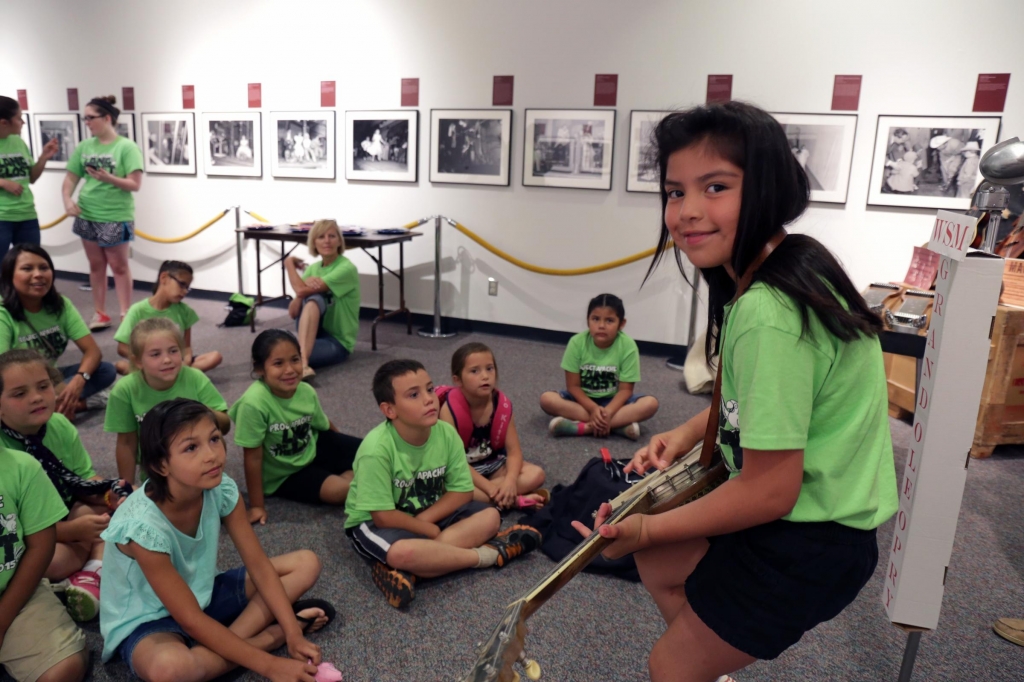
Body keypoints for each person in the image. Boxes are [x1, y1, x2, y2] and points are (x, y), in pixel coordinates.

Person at [573, 102, 898, 682]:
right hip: (822, 522)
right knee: (660, 561)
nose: (688, 212)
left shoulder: (766, 313)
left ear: (766, 187)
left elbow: (771, 490)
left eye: (716, 186)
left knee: (669, 665)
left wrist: (643, 524)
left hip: (814, 538)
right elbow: (772, 400)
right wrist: (685, 431)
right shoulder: (794, 264)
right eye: (675, 192)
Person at [98, 398, 337, 681]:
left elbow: (259, 566)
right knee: (170, 670)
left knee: (306, 563)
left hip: (202, 595)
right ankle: (263, 639)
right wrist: (271, 660)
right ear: (161, 465)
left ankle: (223, 647)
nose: (212, 455)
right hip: (148, 619)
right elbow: (189, 619)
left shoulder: (220, 488)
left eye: (214, 439)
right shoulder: (140, 526)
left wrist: (294, 634)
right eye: (191, 448)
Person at [344, 359, 542, 609]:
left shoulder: (446, 434)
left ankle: (415, 570)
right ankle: (488, 555)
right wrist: (427, 529)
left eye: (429, 388)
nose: (429, 399)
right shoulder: (376, 449)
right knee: (402, 554)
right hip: (376, 520)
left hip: (429, 512)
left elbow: (462, 492)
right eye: (414, 395)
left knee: (491, 516)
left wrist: (425, 525)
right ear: (390, 410)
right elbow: (383, 516)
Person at [0, 349, 133, 623]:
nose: (36, 397)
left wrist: (110, 495)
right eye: (19, 393)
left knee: (111, 513)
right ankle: (92, 568)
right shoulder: (5, 453)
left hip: (64, 513)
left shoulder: (59, 425)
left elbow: (83, 478)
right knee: (52, 558)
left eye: (43, 386)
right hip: (25, 537)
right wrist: (71, 532)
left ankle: (89, 571)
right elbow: (19, 530)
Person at [231, 330, 362, 526]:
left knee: (370, 451)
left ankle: (353, 473)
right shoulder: (253, 404)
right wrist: (257, 505)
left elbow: (324, 425)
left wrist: (343, 448)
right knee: (340, 492)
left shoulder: (306, 391)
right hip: (284, 474)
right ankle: (353, 476)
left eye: (295, 360)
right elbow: (252, 457)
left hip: (312, 447)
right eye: (278, 363)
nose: (290, 370)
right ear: (260, 368)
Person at [0, 447, 89, 682]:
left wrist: (2, 620)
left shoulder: (22, 467)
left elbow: (41, 547)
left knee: (63, 668)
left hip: (15, 594)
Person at [105, 318, 229, 486]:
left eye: (173, 351)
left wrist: (199, 409)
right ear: (138, 361)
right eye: (156, 354)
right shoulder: (124, 390)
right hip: (156, 473)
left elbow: (225, 426)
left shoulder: (195, 378)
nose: (167, 360)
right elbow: (127, 443)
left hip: (201, 467)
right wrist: (127, 488)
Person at [0, 244, 116, 417]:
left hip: (50, 376)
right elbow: (3, 370)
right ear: (10, 276)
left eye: (44, 268)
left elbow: (93, 352)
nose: (38, 274)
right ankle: (64, 405)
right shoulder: (3, 312)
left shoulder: (61, 305)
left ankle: (54, 406)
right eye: (27, 268)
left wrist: (78, 381)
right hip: (18, 384)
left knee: (106, 370)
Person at [61, 95, 143, 331]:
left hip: (115, 214)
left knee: (118, 266)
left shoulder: (126, 147)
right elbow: (71, 178)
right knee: (96, 265)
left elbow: (135, 184)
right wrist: (67, 199)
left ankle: (126, 313)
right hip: (87, 213)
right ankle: (100, 313)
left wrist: (109, 178)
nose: (87, 122)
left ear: (107, 118)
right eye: (84, 118)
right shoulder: (85, 147)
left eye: (91, 118)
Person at [438, 342, 548, 510]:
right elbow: (455, 463)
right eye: (475, 371)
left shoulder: (501, 405)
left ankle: (495, 498)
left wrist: (510, 482)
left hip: (494, 465)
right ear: (457, 380)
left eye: (489, 368)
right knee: (448, 490)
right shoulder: (448, 410)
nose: (485, 376)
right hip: (463, 471)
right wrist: (490, 488)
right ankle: (514, 501)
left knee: (536, 474)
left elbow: (514, 452)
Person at [540, 293, 659, 440]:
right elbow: (573, 387)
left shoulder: (628, 346)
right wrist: (593, 409)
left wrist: (608, 412)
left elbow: (626, 390)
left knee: (650, 404)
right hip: (582, 402)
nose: (601, 326)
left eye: (609, 320)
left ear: (621, 324)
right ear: (588, 321)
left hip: (614, 403)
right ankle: (618, 426)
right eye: (595, 319)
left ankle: (584, 427)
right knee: (547, 399)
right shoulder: (576, 343)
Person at [113, 260, 223, 375]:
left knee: (215, 357)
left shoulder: (185, 311)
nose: (185, 291)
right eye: (181, 284)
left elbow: (186, 348)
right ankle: (176, 377)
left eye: (187, 288)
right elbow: (122, 348)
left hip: (175, 361)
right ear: (164, 278)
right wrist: (149, 360)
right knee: (121, 365)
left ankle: (169, 376)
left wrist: (185, 362)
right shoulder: (137, 310)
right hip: (148, 361)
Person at [284, 219, 360, 380]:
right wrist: (301, 293)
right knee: (276, 355)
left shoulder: (346, 268)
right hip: (313, 336)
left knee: (314, 298)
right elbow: (293, 311)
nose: (327, 241)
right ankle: (301, 359)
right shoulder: (313, 268)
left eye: (332, 236)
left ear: (339, 241)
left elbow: (301, 289)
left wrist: (289, 263)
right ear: (314, 242)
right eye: (321, 237)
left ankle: (303, 362)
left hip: (338, 342)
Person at [0, 95, 60, 254]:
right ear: (4, 123)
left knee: (30, 261)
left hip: (26, 214)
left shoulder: (17, 141)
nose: (23, 122)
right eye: (19, 118)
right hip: (1, 218)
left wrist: (43, 158)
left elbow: (31, 178)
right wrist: (4, 183)